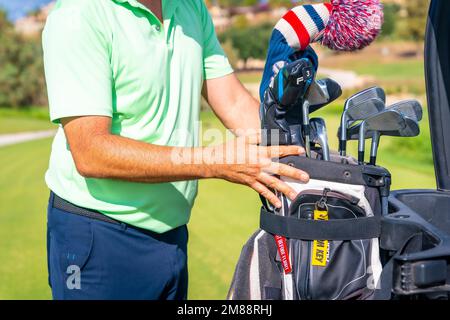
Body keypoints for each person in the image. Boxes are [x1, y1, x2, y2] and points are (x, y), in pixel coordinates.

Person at [43, 0, 309, 300]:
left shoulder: (189, 7)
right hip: (97, 236)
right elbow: (91, 151)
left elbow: (234, 103)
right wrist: (214, 161)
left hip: (172, 237)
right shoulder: (78, 14)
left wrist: (302, 155)